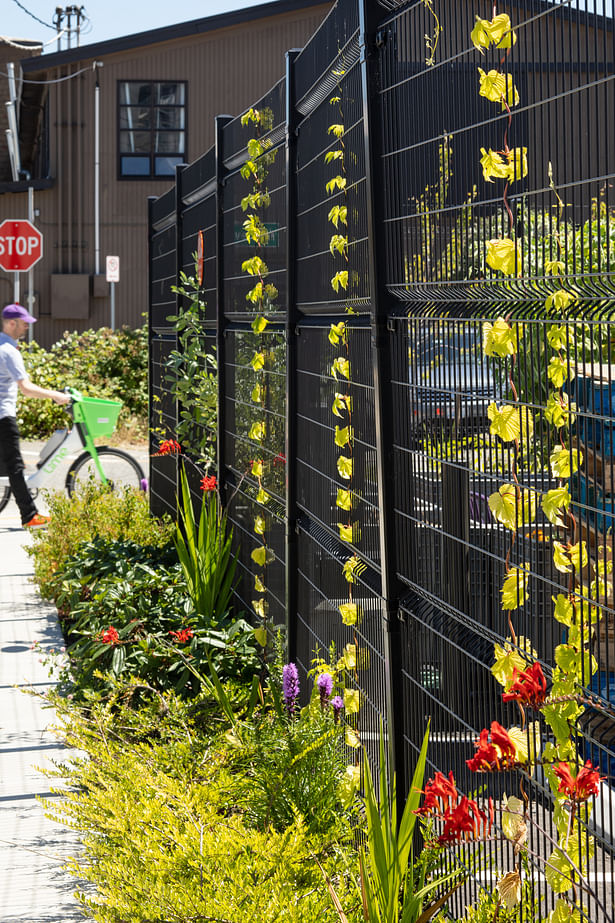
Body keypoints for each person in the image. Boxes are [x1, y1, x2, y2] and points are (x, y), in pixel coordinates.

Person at [0, 303, 70, 528]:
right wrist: (55, 395)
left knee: (9, 466)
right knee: (15, 466)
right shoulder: (9, 351)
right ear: (12, 323)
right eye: (23, 324)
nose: (26, 328)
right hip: (4, 416)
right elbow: (26, 388)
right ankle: (29, 515)